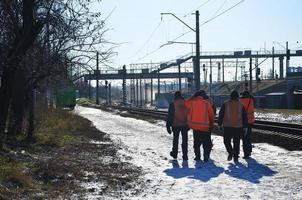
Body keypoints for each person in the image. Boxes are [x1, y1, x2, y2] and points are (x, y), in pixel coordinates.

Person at [218, 90, 248, 162]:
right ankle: (236, 157)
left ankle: (230, 151)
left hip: (227, 126)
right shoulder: (241, 105)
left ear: (230, 96)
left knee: (226, 141)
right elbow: (244, 117)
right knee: (236, 142)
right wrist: (245, 127)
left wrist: (219, 124)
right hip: (238, 127)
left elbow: (221, 115)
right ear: (238, 96)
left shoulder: (226, 104)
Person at [186, 90, 214, 162]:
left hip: (195, 127)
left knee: (196, 143)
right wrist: (211, 124)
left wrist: (193, 96)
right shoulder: (206, 103)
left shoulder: (192, 103)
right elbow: (211, 115)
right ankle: (206, 157)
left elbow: (186, 103)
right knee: (206, 143)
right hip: (205, 127)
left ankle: (197, 157)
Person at [166, 91, 189, 160]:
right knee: (185, 140)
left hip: (175, 125)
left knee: (175, 140)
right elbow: (189, 114)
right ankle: (185, 155)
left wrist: (168, 126)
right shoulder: (186, 103)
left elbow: (170, 115)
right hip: (185, 124)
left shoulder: (173, 104)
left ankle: (175, 154)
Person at [240, 90, 255, 159]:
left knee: (244, 138)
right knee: (248, 136)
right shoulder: (251, 100)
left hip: (243, 122)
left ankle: (246, 153)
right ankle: (249, 150)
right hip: (251, 121)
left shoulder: (240, 101)